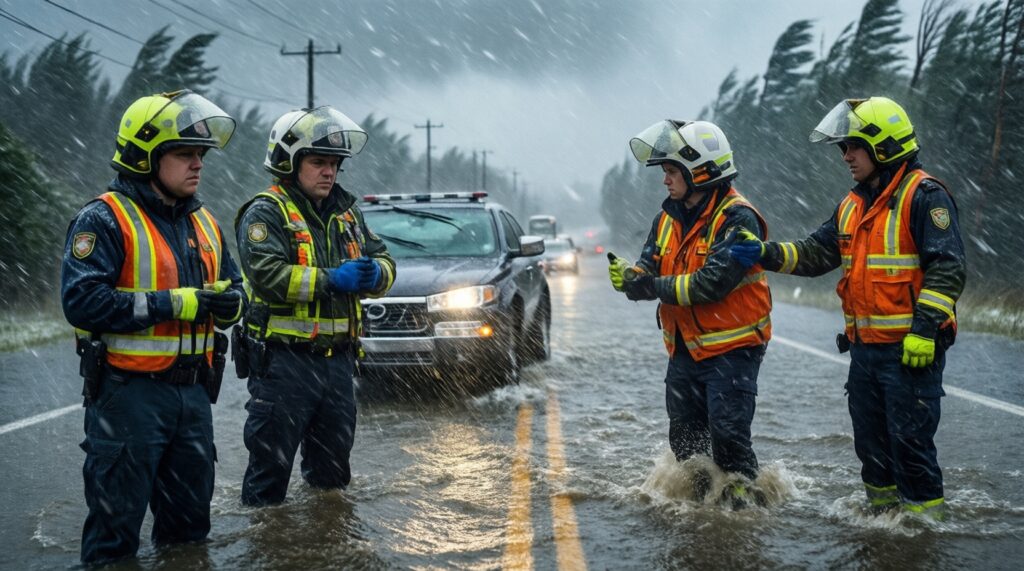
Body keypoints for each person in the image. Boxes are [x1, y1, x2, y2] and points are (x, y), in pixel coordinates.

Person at [730, 97, 965, 517]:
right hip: (866, 353)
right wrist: (763, 252)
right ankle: (881, 532)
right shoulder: (852, 205)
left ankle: (926, 535)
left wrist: (924, 330)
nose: (845, 156)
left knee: (911, 449)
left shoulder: (925, 197)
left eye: (852, 146)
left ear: (883, 147)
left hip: (911, 352)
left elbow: (947, 269)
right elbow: (814, 254)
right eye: (843, 148)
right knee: (872, 453)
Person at [61, 90, 244, 564]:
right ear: (145, 156)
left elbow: (236, 290)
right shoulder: (102, 218)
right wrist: (176, 304)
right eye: (185, 154)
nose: (198, 164)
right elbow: (82, 302)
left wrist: (228, 305)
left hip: (192, 397)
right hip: (127, 398)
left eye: (200, 155)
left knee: (189, 536)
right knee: (114, 540)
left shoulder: (205, 222)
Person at [236, 106, 396, 506]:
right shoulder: (265, 212)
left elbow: (386, 258)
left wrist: (377, 274)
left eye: (334, 164)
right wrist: (331, 280)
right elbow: (267, 276)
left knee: (333, 481)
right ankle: (268, 550)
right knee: (268, 480)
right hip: (283, 366)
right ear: (289, 163)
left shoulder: (347, 213)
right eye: (318, 162)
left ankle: (325, 545)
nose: (329, 172)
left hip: (339, 365)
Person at [609, 119, 773, 504]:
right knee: (685, 441)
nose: (665, 180)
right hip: (684, 348)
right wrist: (632, 277)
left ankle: (742, 514)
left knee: (729, 436)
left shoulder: (737, 217)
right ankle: (700, 510)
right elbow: (649, 266)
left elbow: (709, 283)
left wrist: (648, 284)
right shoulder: (666, 216)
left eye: (670, 171)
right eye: (665, 171)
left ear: (700, 171)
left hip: (733, 349)